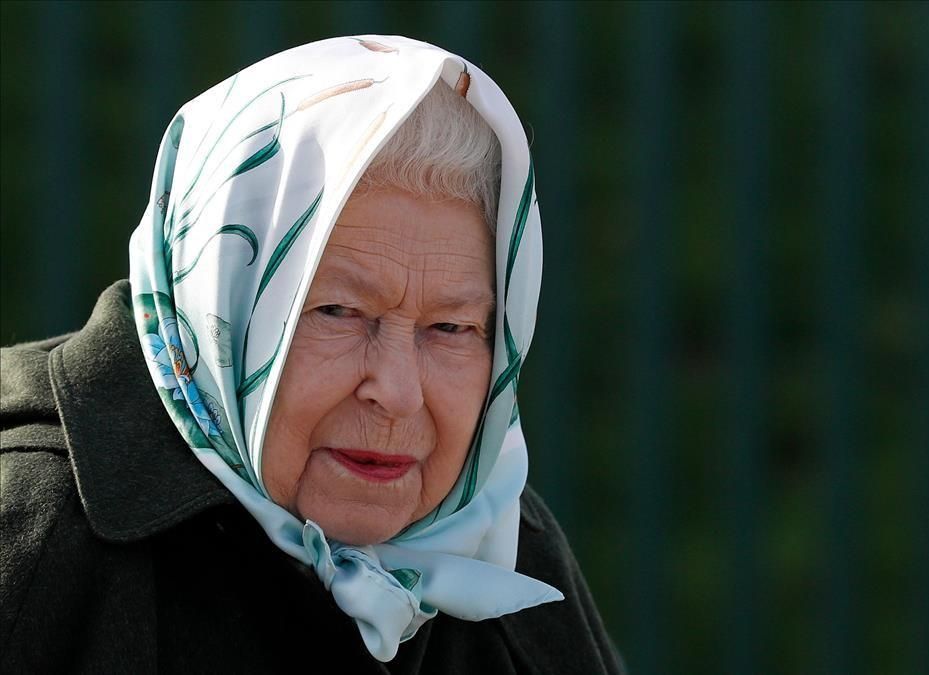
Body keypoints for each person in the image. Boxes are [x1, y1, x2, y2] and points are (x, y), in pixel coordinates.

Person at [0, 35, 621, 674]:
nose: (398, 391)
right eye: (338, 313)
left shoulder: (507, 548)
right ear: (223, 297)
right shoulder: (33, 527)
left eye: (452, 328)